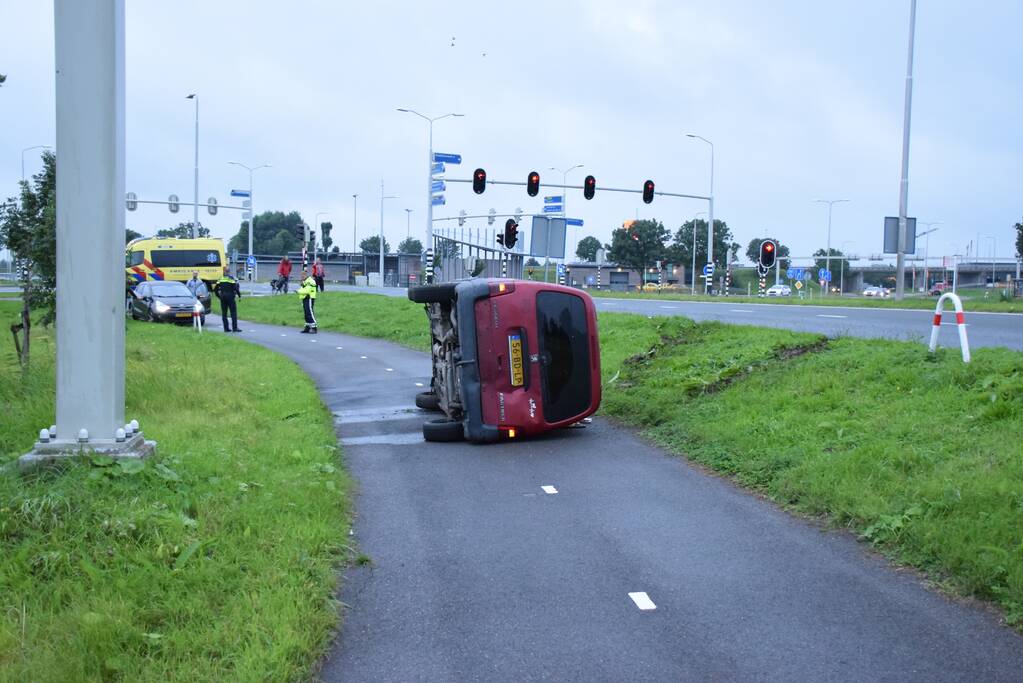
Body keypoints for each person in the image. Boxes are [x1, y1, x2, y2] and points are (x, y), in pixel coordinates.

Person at [214, 266, 242, 333]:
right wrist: (239, 296)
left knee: (224, 313)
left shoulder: (220, 279)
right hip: (230, 297)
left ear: (224, 272)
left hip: (223, 297)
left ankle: (226, 329)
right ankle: (234, 328)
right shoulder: (231, 279)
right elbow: (235, 288)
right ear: (229, 272)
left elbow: (215, 289)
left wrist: (218, 296)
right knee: (233, 312)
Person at [297, 268, 317, 333]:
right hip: (305, 298)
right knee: (306, 313)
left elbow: (307, 290)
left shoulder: (310, 281)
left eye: (302, 276)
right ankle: (307, 327)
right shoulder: (305, 281)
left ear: (305, 275)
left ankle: (314, 327)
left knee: (309, 312)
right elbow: (303, 288)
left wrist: (298, 291)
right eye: (301, 276)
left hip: (309, 297)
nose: (301, 277)